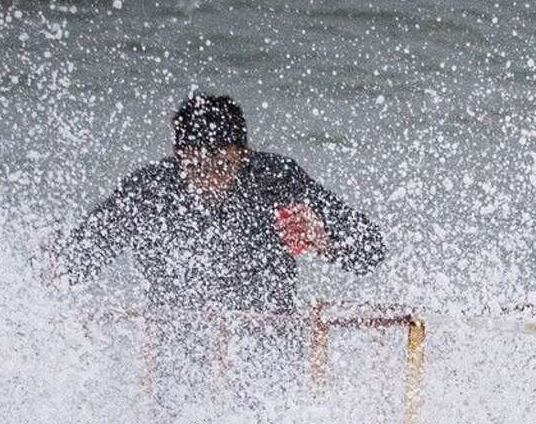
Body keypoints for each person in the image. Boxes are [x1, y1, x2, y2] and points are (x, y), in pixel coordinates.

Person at [58, 93, 385, 313]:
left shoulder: (276, 179)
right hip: (178, 337)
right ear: (177, 156)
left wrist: (324, 238)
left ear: (243, 154)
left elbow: (371, 252)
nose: (208, 177)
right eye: (195, 165)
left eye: (220, 164)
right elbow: (77, 262)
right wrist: (50, 267)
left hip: (267, 333)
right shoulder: (151, 189)